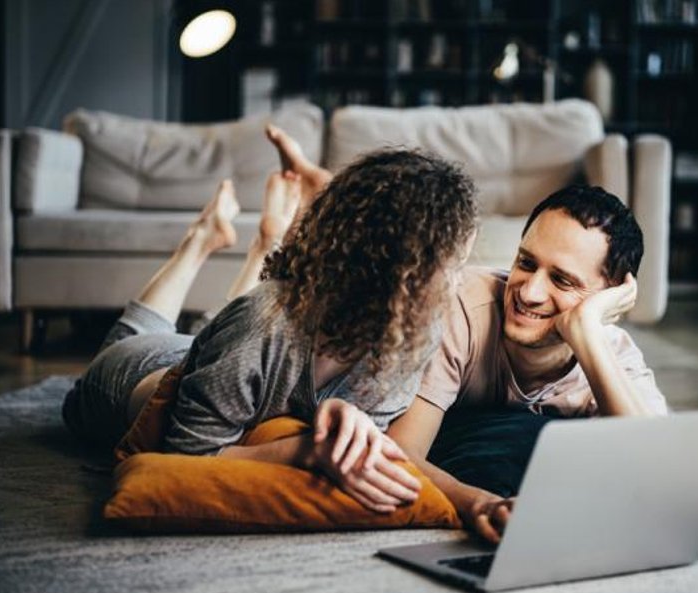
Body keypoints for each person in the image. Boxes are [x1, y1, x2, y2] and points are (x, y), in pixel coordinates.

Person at [62, 137, 479, 514]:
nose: (461, 280)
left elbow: (362, 442)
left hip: (217, 362)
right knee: (134, 345)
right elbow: (186, 456)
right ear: (405, 273)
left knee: (219, 340)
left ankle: (259, 243)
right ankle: (200, 239)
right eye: (455, 265)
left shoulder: (414, 336)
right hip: (128, 378)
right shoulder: (264, 324)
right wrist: (303, 452)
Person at [385, 185, 669, 543]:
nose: (528, 293)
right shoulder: (460, 307)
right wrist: (479, 505)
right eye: (526, 263)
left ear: (608, 299)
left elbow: (658, 475)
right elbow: (402, 453)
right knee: (537, 439)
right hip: (453, 451)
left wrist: (586, 332)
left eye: (562, 280)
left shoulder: (612, 354)